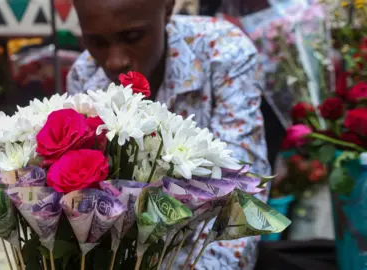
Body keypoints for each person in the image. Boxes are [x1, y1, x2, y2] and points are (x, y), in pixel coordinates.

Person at [67, 0, 270, 269]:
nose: (115, 61)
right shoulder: (86, 76)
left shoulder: (224, 53)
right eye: (96, 42)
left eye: (133, 37)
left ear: (168, 9)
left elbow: (243, 194)